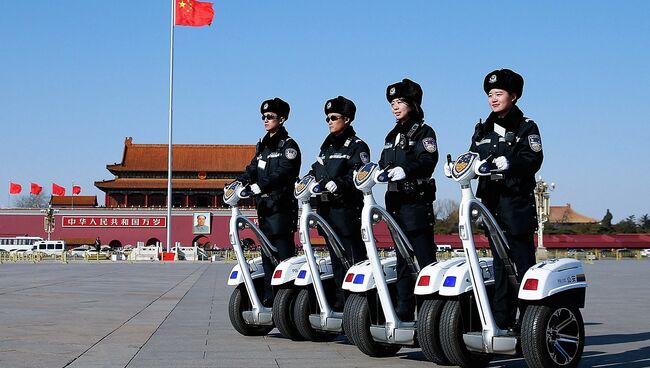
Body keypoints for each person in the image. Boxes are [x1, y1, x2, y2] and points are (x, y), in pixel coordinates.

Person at [463, 68, 543, 330]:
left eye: (498, 93)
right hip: (492, 205)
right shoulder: (482, 129)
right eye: (489, 94)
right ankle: (502, 319)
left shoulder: (526, 126)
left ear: (514, 95)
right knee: (499, 266)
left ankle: (529, 324)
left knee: (522, 266)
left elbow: (534, 159)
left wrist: (509, 162)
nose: (493, 99)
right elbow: (472, 157)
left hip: (516, 205)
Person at [378, 79, 438, 321]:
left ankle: (429, 313)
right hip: (396, 202)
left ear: (413, 104)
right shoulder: (392, 135)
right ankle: (404, 310)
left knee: (425, 260)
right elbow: (384, 163)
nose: (395, 106)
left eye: (400, 101)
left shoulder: (424, 132)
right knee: (402, 258)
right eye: (392, 102)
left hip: (416, 201)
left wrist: (407, 170)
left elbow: (427, 161)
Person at [237, 98, 301, 307]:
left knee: (283, 259)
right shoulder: (263, 146)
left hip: (281, 210)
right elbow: (252, 169)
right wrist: (239, 183)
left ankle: (287, 304)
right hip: (264, 209)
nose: (265, 120)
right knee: (266, 258)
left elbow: (284, 174)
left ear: (282, 119)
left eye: (270, 117)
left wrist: (260, 186)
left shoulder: (289, 147)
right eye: (263, 117)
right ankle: (270, 299)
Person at [309, 96, 370, 311]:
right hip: (327, 211)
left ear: (347, 119)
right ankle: (341, 302)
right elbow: (316, 169)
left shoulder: (357, 146)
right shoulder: (326, 147)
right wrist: (306, 180)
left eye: (334, 117)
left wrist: (341, 183)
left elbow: (359, 173)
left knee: (352, 259)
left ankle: (358, 306)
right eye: (327, 118)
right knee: (336, 260)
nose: (329, 121)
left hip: (346, 211)